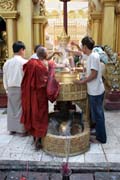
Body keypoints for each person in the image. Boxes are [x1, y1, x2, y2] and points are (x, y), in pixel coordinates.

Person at [21, 46, 59, 150]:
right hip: (40, 96)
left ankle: (34, 137)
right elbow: (45, 82)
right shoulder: (43, 65)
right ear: (45, 55)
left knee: (33, 114)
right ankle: (38, 140)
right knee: (40, 116)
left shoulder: (31, 63)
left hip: (30, 94)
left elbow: (25, 78)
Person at [74, 36, 107, 144]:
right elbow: (80, 53)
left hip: (96, 91)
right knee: (96, 113)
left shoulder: (93, 57)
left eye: (82, 46)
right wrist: (73, 47)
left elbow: (94, 74)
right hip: (95, 89)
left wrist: (81, 82)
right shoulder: (91, 55)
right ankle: (98, 132)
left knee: (98, 114)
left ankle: (101, 138)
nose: (81, 49)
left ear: (85, 46)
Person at [3, 41, 27, 136]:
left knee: (11, 109)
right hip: (20, 87)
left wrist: (6, 89)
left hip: (10, 87)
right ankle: (21, 130)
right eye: (24, 50)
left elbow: (5, 77)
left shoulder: (7, 63)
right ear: (21, 50)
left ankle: (12, 129)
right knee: (21, 108)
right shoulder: (24, 62)